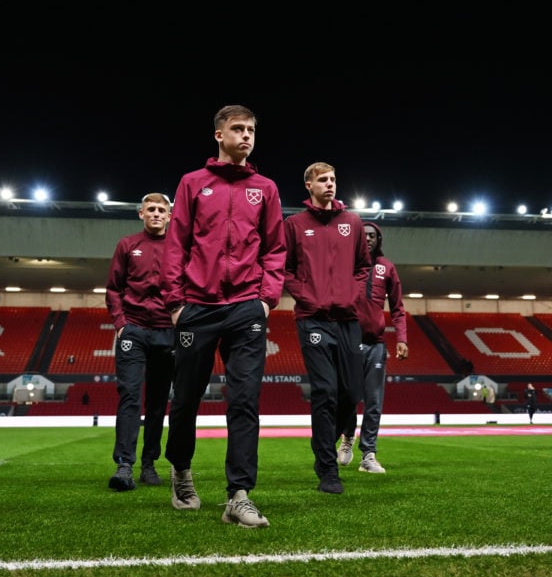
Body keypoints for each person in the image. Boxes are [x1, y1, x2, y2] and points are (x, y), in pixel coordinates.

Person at [160, 104, 285, 528]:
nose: (246, 136)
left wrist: (266, 299)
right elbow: (175, 245)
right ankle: (181, 471)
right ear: (219, 134)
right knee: (186, 400)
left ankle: (239, 494)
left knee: (245, 402)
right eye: (238, 129)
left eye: (251, 129)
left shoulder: (265, 188)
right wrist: (177, 304)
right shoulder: (193, 183)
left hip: (247, 307)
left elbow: (274, 248)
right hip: (197, 306)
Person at [284, 162, 371, 494]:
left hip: (348, 319)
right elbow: (287, 268)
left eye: (333, 179)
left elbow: (364, 265)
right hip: (313, 319)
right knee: (324, 391)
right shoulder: (294, 224)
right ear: (309, 185)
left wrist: (351, 294)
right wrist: (307, 297)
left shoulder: (352, 222)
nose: (330, 184)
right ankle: (327, 469)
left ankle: (324, 439)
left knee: (351, 393)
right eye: (322, 180)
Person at [105, 192, 175, 492]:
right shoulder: (127, 244)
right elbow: (113, 289)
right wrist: (121, 325)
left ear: (170, 216)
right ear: (141, 213)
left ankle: (149, 463)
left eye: (162, 210)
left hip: (167, 332)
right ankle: (124, 465)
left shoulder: (180, 247)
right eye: (151, 209)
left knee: (158, 403)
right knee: (130, 396)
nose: (157, 214)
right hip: (134, 330)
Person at [337, 221, 408, 472]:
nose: (367, 239)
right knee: (347, 397)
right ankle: (347, 436)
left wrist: (401, 338)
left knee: (374, 402)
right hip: (348, 342)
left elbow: (398, 308)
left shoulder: (387, 268)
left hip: (376, 344)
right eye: (363, 235)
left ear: (379, 240)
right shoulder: (346, 264)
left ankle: (368, 454)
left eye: (372, 236)